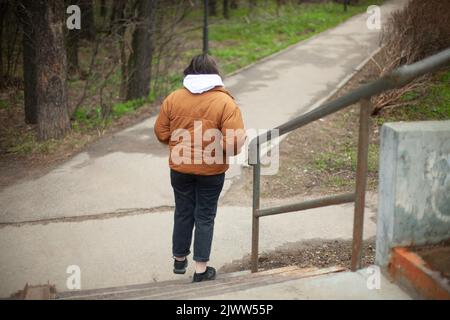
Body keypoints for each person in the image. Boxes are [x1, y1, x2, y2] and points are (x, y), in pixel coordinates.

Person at [154, 54, 246, 282]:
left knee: (183, 211)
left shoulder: (173, 98)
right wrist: (221, 150)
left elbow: (161, 132)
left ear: (189, 73)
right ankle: (201, 270)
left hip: (180, 168)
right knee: (204, 215)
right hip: (211, 171)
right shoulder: (225, 103)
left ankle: (179, 258)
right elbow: (234, 141)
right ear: (215, 74)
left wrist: (179, 145)